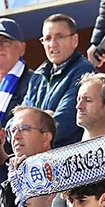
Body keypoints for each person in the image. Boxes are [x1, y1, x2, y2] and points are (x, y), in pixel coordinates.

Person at [27, 14, 89, 148]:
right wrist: (45, 118)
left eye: (59, 37)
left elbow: (64, 123)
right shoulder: (37, 77)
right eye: (47, 39)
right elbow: (13, 123)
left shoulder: (84, 72)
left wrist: (29, 128)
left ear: (75, 40)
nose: (52, 44)